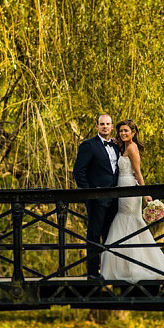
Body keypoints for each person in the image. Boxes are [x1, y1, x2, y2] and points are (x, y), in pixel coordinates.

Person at [100, 120, 164, 283]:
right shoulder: (123, 147)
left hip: (131, 188)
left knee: (130, 221)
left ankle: (136, 266)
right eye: (121, 131)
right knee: (123, 221)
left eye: (126, 131)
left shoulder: (132, 148)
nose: (123, 134)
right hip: (122, 188)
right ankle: (124, 265)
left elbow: (138, 173)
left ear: (133, 132)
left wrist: (145, 194)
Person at [72, 114, 119, 281]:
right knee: (94, 234)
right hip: (97, 199)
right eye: (102, 124)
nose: (105, 127)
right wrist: (89, 193)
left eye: (108, 124)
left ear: (112, 127)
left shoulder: (116, 146)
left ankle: (109, 271)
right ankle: (92, 273)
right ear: (97, 127)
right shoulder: (89, 145)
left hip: (115, 198)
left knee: (111, 235)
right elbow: (79, 171)